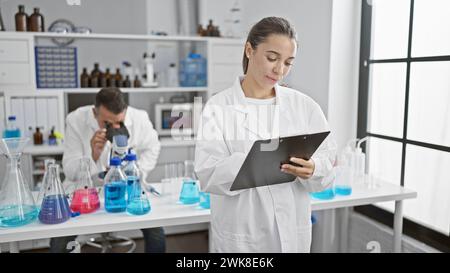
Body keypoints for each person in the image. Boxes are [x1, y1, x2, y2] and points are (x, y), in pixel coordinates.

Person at [194, 17, 337, 253]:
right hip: (242, 237)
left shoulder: (305, 106)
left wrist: (314, 169)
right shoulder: (217, 107)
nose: (279, 70)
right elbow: (207, 174)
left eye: (288, 62)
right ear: (249, 50)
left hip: (292, 231)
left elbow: (328, 169)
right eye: (272, 58)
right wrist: (255, 162)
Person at [50, 87, 166, 253]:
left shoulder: (139, 117)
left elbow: (153, 147)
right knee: (61, 235)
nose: (115, 127)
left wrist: (136, 170)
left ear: (125, 111)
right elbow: (70, 171)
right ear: (94, 112)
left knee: (155, 229)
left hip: (127, 188)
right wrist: (93, 155)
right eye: (107, 123)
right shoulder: (76, 120)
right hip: (86, 191)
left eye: (119, 121)